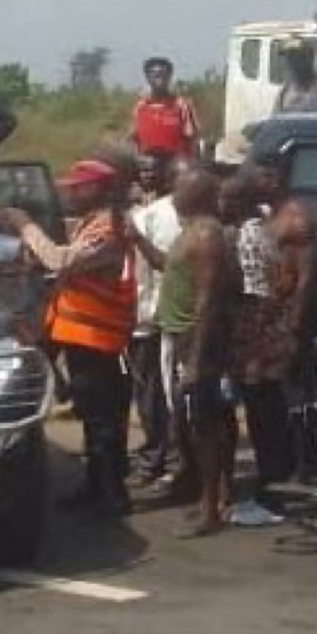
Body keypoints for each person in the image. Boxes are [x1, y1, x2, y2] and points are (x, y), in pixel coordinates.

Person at [0, 159, 136, 517]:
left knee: (103, 421)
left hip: (100, 338)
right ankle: (96, 487)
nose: (71, 192)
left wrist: (25, 225)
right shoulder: (93, 223)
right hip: (82, 334)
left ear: (101, 189)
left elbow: (62, 260)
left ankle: (111, 494)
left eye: (80, 186)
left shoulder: (109, 227)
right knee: (92, 416)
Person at [228, 160, 317, 505]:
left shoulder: (295, 218)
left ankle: (283, 477)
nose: (256, 181)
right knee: (258, 400)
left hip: (279, 323)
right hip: (262, 320)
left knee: (274, 403)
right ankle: (271, 474)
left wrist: (293, 324)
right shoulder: (266, 217)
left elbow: (305, 277)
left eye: (263, 176)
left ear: (276, 180)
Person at [153, 168, 236, 536]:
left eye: (180, 189)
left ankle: (211, 507)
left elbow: (207, 301)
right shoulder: (189, 231)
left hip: (196, 339)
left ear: (198, 195)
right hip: (180, 336)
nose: (173, 194)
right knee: (191, 423)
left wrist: (197, 358)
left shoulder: (205, 236)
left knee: (205, 425)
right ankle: (207, 496)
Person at [126, 154, 182, 487]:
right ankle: (164, 457)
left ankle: (159, 458)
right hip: (163, 316)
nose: (148, 175)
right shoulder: (149, 214)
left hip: (153, 317)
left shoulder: (147, 216)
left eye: (154, 169)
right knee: (164, 392)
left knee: (155, 393)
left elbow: (144, 272)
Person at [130, 57, 200, 161]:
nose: (160, 79)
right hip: (146, 163)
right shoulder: (140, 107)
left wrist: (189, 164)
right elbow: (134, 139)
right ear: (148, 77)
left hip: (175, 164)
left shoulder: (181, 105)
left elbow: (191, 138)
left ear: (170, 76)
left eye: (164, 75)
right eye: (155, 75)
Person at [273, 38, 317, 114]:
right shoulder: (285, 90)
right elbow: (275, 119)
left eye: (295, 57)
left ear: (309, 58)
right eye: (288, 57)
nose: (290, 62)